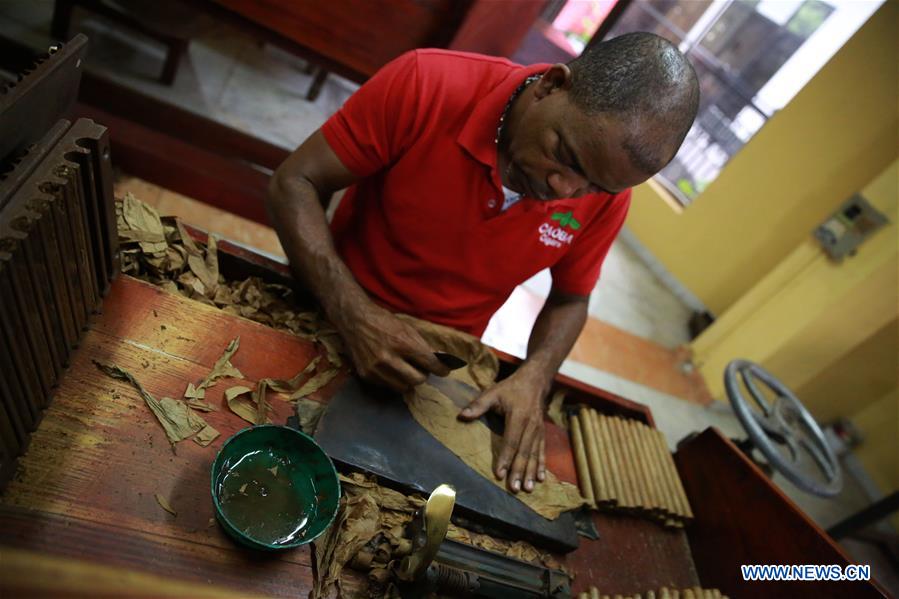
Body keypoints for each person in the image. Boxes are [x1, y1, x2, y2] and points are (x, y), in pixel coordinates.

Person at [266, 32, 699, 496]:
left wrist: (536, 374)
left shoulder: (605, 197)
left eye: (595, 186)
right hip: (329, 306)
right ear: (551, 85)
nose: (564, 190)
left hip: (439, 361)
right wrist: (353, 314)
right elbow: (295, 182)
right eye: (565, 156)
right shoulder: (427, 83)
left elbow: (571, 298)